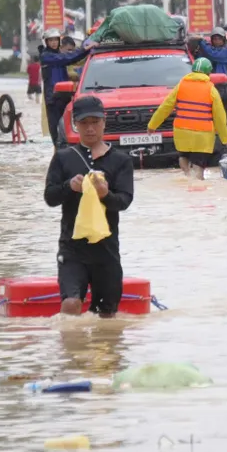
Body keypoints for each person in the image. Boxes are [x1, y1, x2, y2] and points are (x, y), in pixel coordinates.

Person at [44, 95, 136, 317]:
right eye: (84, 123)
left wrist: (106, 194)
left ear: (104, 122)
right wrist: (69, 187)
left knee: (106, 315)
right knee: (71, 304)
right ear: (75, 125)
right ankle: (70, 350)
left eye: (95, 122)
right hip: (72, 248)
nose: (90, 128)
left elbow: (124, 201)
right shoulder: (63, 158)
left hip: (106, 249)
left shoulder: (121, 161)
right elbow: (50, 197)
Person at [147, 57, 227, 180]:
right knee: (199, 164)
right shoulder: (211, 89)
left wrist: (152, 125)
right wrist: (225, 139)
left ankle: (187, 176)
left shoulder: (181, 85)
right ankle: (197, 183)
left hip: (182, 131)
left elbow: (165, 107)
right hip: (202, 134)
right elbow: (220, 117)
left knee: (183, 155)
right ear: (208, 73)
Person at [41, 29, 91, 148]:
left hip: (65, 98)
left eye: (55, 40)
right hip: (53, 100)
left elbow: (73, 59)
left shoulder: (59, 55)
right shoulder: (46, 56)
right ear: (46, 42)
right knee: (56, 133)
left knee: (69, 131)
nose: (53, 43)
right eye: (51, 40)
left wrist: (86, 50)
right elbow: (68, 58)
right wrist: (84, 50)